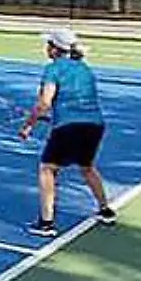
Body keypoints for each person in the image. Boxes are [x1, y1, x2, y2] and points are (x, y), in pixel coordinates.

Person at [18, 27, 116, 237]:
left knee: (48, 169)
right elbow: (76, 100)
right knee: (87, 167)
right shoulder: (84, 68)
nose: (46, 48)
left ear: (54, 49)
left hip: (69, 126)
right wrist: (53, 116)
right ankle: (105, 210)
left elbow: (44, 103)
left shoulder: (52, 69)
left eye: (48, 44)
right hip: (94, 125)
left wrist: (28, 125)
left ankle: (46, 223)